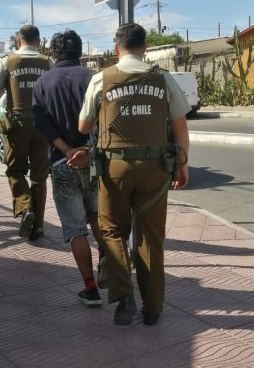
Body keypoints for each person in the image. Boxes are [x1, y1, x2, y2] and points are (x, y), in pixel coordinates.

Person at [78, 23, 191, 326]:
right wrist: (183, 164)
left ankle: (123, 294)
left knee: (112, 229)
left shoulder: (101, 79)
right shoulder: (163, 78)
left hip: (114, 168)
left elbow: (84, 127)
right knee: (151, 237)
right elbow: (180, 125)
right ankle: (152, 309)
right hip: (155, 168)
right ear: (145, 48)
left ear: (116, 48)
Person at [32, 29, 106, 307]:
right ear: (80, 52)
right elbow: (103, 119)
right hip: (94, 162)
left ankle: (90, 288)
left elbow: (42, 122)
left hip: (62, 164)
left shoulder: (42, 83)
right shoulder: (94, 78)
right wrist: (86, 149)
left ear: (53, 53)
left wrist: (66, 151)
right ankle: (106, 268)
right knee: (98, 218)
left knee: (75, 230)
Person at [0, 25, 52, 240]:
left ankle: (25, 207)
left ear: (18, 41)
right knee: (39, 177)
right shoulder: (48, 62)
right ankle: (38, 226)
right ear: (39, 42)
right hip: (43, 125)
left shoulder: (7, 62)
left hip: (18, 126)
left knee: (15, 171)